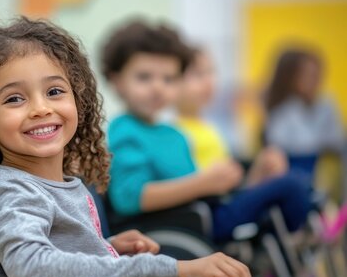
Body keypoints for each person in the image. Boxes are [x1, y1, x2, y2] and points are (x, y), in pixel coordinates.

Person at [0, 16, 340, 277]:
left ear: (77, 101)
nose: (41, 107)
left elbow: (48, 254)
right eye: (14, 99)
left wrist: (108, 246)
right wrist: (173, 269)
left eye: (54, 91)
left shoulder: (53, 182)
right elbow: (33, 273)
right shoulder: (15, 190)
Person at [103, 20, 311, 242]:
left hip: (205, 211)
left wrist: (231, 178)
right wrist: (203, 183)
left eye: (169, 79)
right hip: (190, 224)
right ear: (117, 81)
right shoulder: (125, 130)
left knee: (293, 180)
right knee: (292, 185)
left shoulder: (172, 134)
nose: (158, 87)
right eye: (144, 77)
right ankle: (289, 246)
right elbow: (129, 198)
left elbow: (199, 187)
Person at [176, 47, 288, 187]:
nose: (208, 82)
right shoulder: (175, 132)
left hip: (225, 196)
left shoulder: (210, 126)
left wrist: (260, 169)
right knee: (290, 185)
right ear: (173, 83)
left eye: (210, 73)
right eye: (198, 74)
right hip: (208, 203)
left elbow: (231, 185)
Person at [264, 48, 344, 179]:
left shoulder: (327, 103)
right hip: (292, 172)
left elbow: (338, 140)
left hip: (322, 172)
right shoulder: (283, 108)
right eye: (308, 75)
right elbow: (279, 143)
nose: (314, 81)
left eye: (317, 75)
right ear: (292, 78)